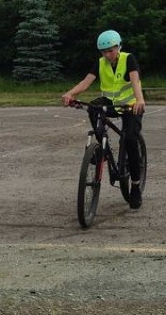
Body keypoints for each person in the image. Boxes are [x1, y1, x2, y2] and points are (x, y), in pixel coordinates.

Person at [62, 29, 146, 209]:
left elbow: (135, 81)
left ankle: (136, 186)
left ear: (118, 47)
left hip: (131, 105)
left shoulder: (128, 59)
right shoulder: (100, 63)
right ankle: (103, 149)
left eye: (110, 50)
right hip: (110, 102)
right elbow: (85, 83)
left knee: (130, 139)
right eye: (104, 51)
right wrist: (70, 93)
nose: (107, 55)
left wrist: (139, 100)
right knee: (92, 108)